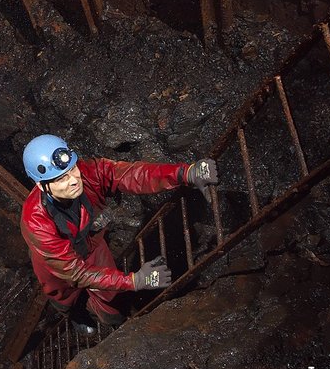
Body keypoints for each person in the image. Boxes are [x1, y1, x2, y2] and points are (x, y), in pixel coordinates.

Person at [20, 134, 218, 334]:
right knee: (63, 295)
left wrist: (185, 173)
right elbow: (74, 273)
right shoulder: (35, 222)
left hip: (90, 244)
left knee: (111, 294)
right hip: (56, 262)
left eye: (72, 169)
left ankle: (111, 321)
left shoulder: (87, 173)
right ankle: (75, 315)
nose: (74, 180)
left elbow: (131, 174)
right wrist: (134, 281)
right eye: (62, 179)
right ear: (41, 186)